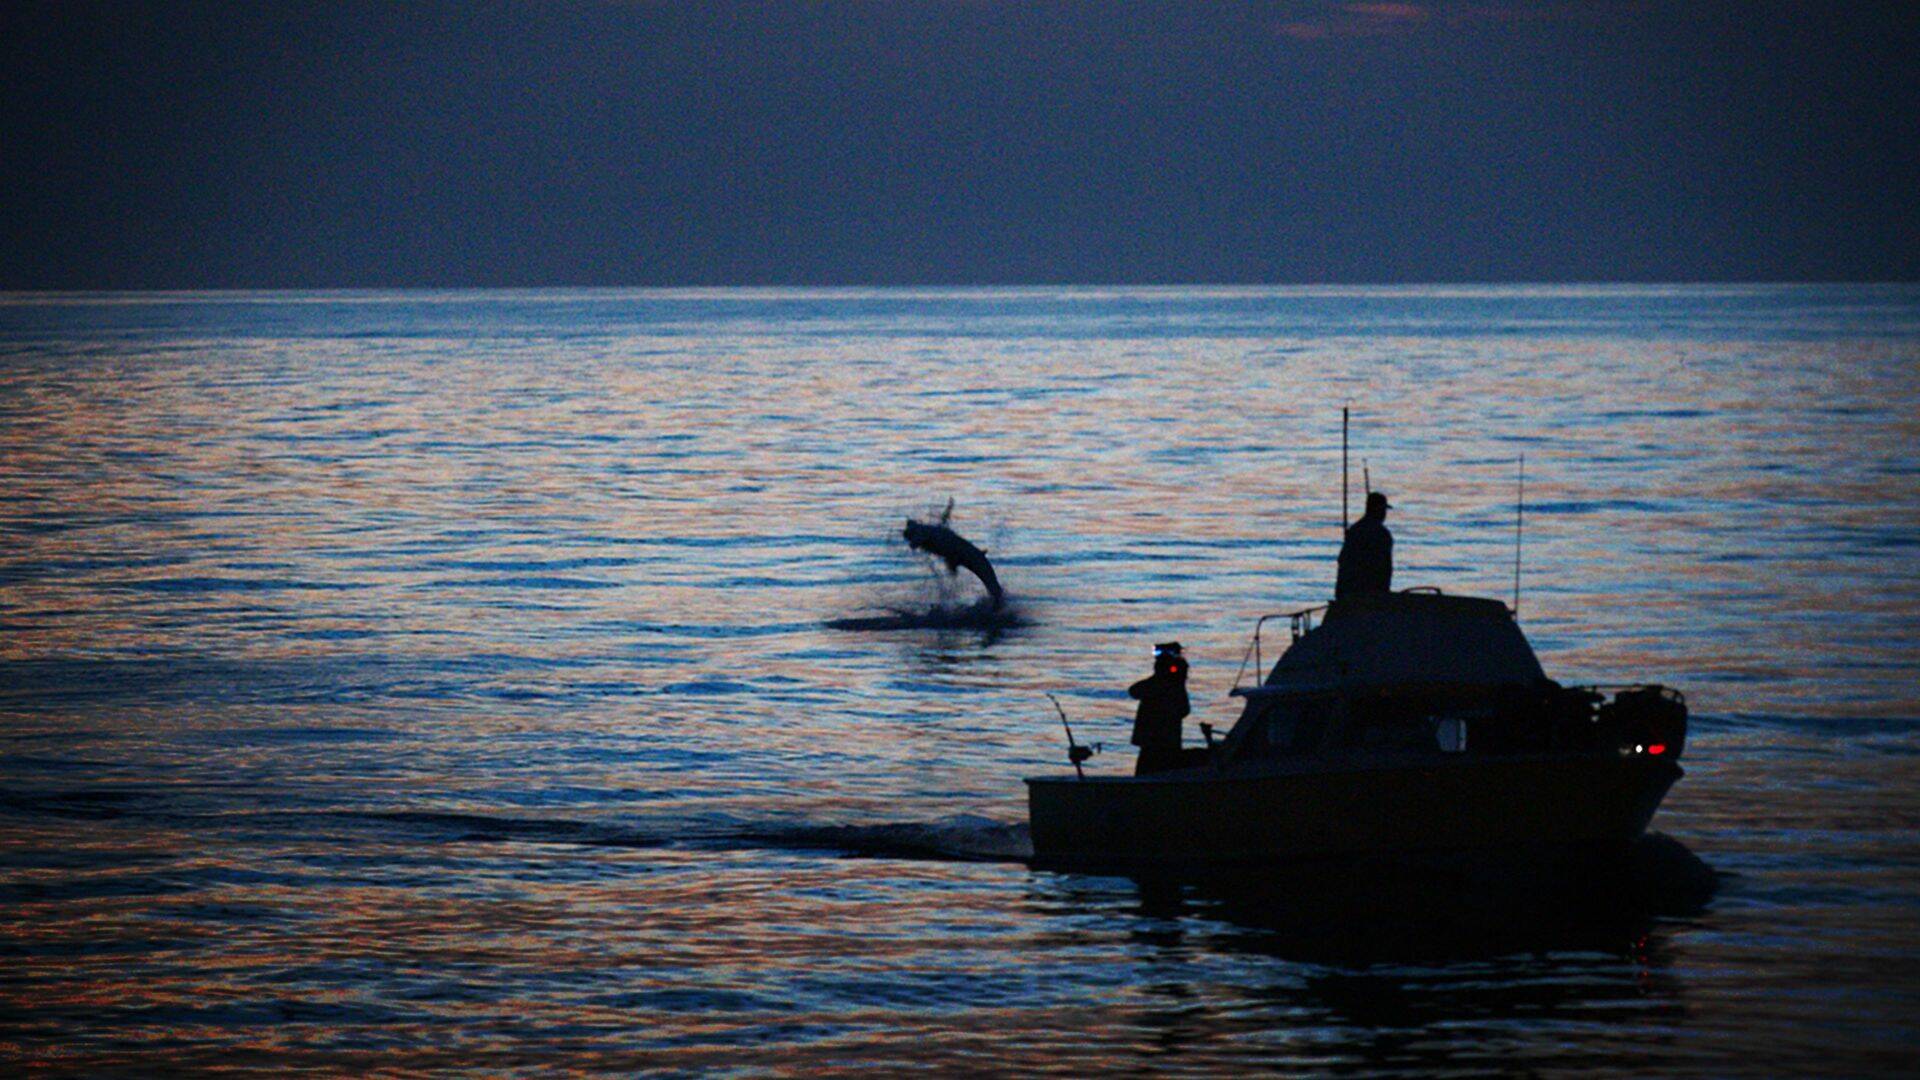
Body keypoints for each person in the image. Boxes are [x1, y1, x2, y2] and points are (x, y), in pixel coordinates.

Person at [1129, 642, 1191, 775]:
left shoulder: (1166, 682)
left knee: (1150, 772)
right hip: (1160, 739)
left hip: (1159, 740)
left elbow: (1135, 691)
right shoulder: (1172, 683)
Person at [1335, 491, 1393, 598]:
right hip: (1370, 593)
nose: (1384, 514)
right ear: (1378, 510)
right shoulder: (1382, 534)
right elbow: (1385, 568)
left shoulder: (1354, 530)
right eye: (1383, 510)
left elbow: (1342, 560)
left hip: (1348, 591)